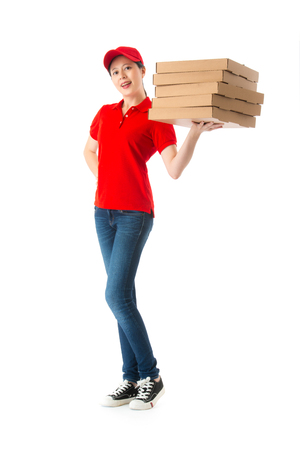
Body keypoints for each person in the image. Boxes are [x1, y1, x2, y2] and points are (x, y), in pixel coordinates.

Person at [83, 46, 222, 410]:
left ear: (142, 71)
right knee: (122, 297)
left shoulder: (157, 115)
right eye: (115, 72)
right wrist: (105, 182)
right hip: (103, 213)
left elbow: (174, 169)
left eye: (128, 68)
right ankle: (131, 379)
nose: (122, 76)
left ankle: (152, 376)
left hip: (134, 214)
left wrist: (195, 133)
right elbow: (88, 151)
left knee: (115, 296)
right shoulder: (105, 113)